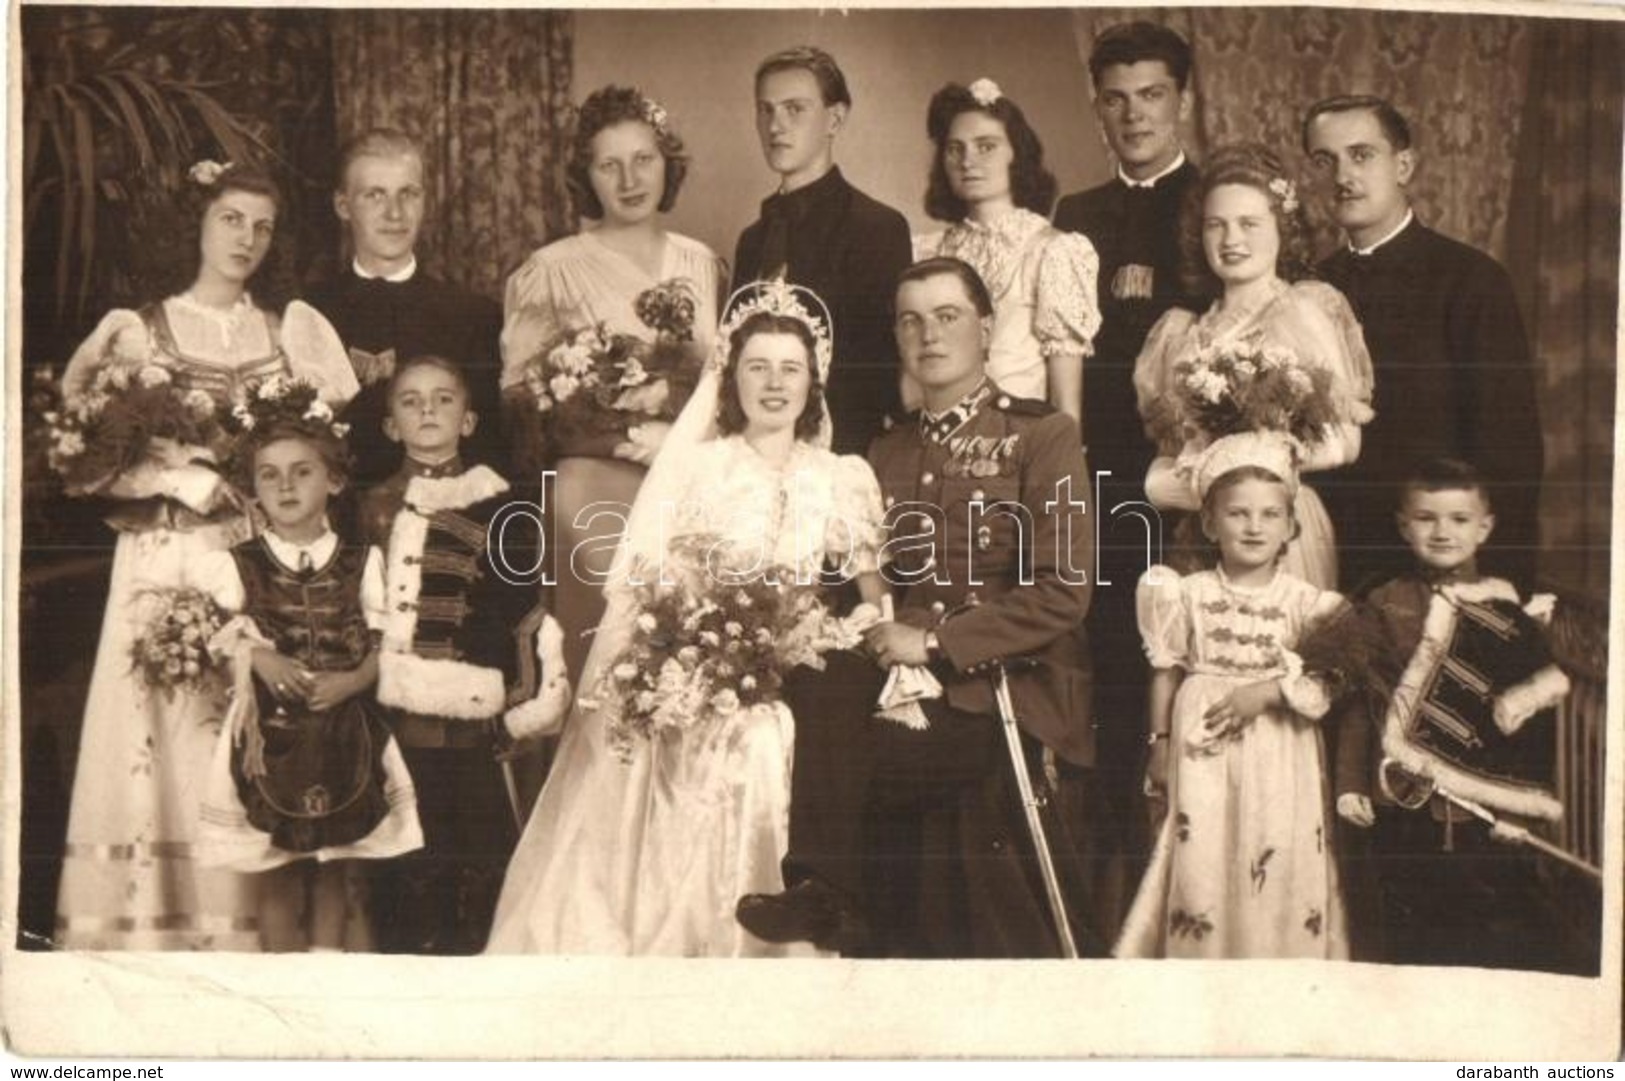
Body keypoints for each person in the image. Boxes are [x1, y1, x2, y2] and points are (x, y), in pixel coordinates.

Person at [487, 281, 889, 956]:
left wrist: (858, 636)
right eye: (756, 366)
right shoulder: (701, 467)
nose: (773, 383)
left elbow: (870, 587)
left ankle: (796, 917)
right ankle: (712, 932)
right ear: (730, 378)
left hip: (800, 660)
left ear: (813, 381)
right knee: (747, 733)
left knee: (780, 727)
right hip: (709, 655)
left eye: (790, 368)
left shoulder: (839, 474)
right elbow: (659, 581)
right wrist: (702, 648)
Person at [735, 257, 1100, 958]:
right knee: (812, 681)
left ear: (986, 328)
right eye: (910, 320)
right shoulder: (884, 447)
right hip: (901, 677)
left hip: (998, 689)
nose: (927, 335)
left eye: (946, 316)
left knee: (861, 755)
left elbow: (1064, 588)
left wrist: (934, 643)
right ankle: (821, 895)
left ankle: (849, 905)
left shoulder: (1040, 434)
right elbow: (867, 577)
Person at [54, 161, 359, 950]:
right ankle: (153, 931)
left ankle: (246, 936)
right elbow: (81, 464)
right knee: (158, 734)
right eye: (231, 219)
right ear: (196, 222)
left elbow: (321, 453)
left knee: (243, 732)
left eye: (261, 225)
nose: (246, 239)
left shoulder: (288, 331)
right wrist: (175, 476)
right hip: (159, 556)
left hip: (249, 562)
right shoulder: (137, 330)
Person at [1049, 20, 1205, 940]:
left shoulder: (1216, 205)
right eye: (1115, 97)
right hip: (1105, 496)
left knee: (1187, 681)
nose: (1133, 114)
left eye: (1151, 94)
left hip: (1196, 502)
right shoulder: (1075, 214)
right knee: (1113, 685)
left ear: (1180, 98)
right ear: (1096, 107)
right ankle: (1115, 910)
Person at [500, 85, 724, 681]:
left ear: (666, 164)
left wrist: (675, 443)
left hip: (690, 483)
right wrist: (614, 431)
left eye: (643, 159)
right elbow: (523, 403)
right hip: (594, 488)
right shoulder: (551, 270)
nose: (630, 179)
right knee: (614, 655)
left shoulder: (703, 262)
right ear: (587, 175)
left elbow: (724, 385)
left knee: (692, 658)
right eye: (609, 164)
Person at [193, 389, 422, 951]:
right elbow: (215, 636)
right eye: (269, 476)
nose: (286, 486)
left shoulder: (361, 559)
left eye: (301, 471)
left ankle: (325, 976)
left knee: (339, 868)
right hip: (272, 737)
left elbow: (385, 641)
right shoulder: (236, 564)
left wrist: (354, 680)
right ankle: (282, 985)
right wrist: (259, 656)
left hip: (347, 732)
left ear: (334, 481)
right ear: (253, 490)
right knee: (278, 864)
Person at [358, 355, 569, 955]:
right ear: (391, 426)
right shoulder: (370, 505)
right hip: (386, 714)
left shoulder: (503, 504)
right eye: (410, 400)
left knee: (476, 855)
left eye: (443, 399)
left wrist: (518, 702)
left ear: (470, 420)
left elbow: (522, 611)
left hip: (471, 715)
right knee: (401, 857)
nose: (428, 410)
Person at [1329, 459, 1569, 971]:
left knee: (1482, 934)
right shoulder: (1383, 602)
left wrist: (1514, 809)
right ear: (1403, 525)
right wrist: (1350, 782)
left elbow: (1528, 725)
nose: (1442, 532)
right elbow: (1358, 703)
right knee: (1407, 932)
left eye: (1459, 519)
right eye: (1426, 518)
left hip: (1477, 809)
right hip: (1399, 798)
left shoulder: (1504, 612)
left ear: (1485, 528)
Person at [1115, 435, 1347, 959]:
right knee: (1203, 853)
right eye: (1238, 513)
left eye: (1270, 514)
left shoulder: (1309, 605)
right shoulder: (1184, 592)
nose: (1254, 526)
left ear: (1291, 526)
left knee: (1276, 848)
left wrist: (1267, 691)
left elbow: (1328, 683)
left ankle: (1277, 961)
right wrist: (1158, 744)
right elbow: (1165, 672)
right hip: (1203, 747)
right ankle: (1203, 968)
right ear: (1209, 523)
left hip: (1280, 749)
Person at [1303, 95, 1544, 595]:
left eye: (1362, 154)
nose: (1343, 175)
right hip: (1329, 561)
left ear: (1404, 165)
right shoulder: (1306, 289)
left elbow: (1511, 450)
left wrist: (1497, 587)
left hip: (1440, 568)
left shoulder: (1472, 280)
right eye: (1325, 161)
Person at [1134, 144, 1373, 591]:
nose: (1231, 240)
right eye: (1215, 225)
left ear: (1282, 229)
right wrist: (1163, 480)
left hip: (1282, 524)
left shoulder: (1303, 310)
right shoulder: (1179, 333)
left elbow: (1345, 441)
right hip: (1203, 527)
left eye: (1249, 224)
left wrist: (1252, 458)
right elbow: (1170, 455)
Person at [733, 45, 912, 455]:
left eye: (795, 109)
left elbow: (879, 373)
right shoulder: (752, 240)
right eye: (766, 110)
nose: (776, 126)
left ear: (835, 118)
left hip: (843, 451)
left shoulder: (878, 228)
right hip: (753, 448)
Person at [305, 128, 505, 495]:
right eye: (374, 195)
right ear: (343, 206)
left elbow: (488, 453)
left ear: (425, 200)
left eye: (408, 194)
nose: (394, 213)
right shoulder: (310, 312)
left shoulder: (474, 316)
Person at [911, 78, 1100, 424]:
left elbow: (1065, 405)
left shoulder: (1052, 251)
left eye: (986, 146)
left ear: (1018, 155)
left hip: (1018, 444)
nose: (968, 161)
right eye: (955, 149)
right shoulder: (924, 252)